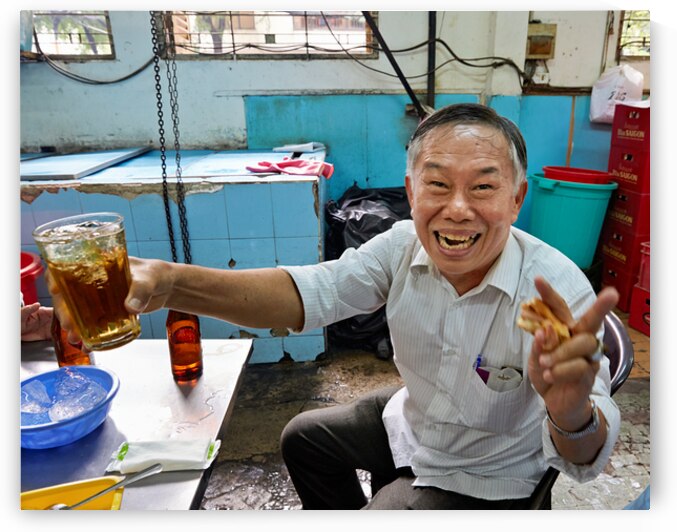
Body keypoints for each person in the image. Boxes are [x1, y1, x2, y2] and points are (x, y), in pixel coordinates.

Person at [50, 103, 621, 510]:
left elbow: (585, 458)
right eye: (438, 185)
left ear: (517, 198)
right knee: (304, 438)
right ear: (410, 188)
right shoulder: (402, 245)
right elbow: (306, 294)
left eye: (484, 188)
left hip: (488, 473)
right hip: (419, 423)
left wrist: (570, 413)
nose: (457, 210)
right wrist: (173, 282)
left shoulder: (552, 290)